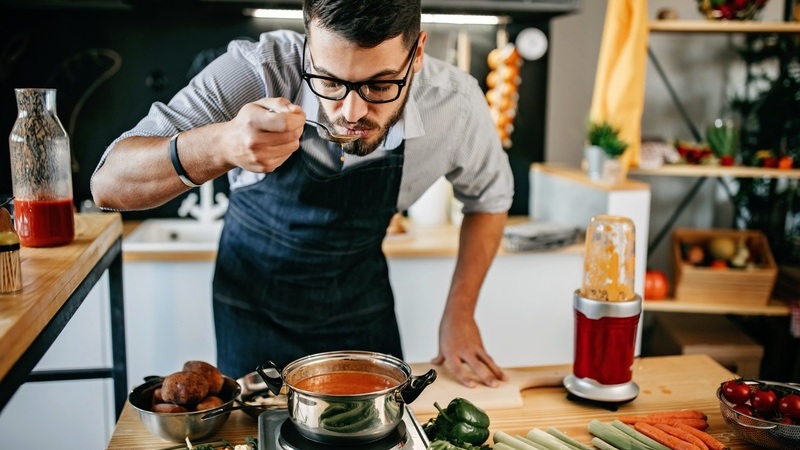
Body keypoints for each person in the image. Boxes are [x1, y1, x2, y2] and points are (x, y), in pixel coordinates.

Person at [91, 0, 513, 388]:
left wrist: (459, 314)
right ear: (309, 47)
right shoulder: (257, 70)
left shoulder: (454, 104)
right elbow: (108, 184)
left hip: (362, 308)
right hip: (252, 310)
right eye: (329, 82)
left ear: (417, 53)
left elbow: (489, 199)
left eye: (381, 86)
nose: (351, 113)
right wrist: (221, 144)